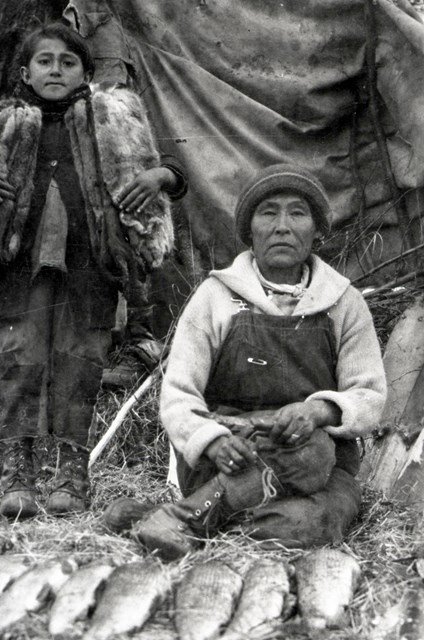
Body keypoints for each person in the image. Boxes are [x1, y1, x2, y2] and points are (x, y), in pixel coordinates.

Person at [0, 22, 187, 520]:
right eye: (44, 61)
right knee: (19, 361)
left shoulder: (112, 119)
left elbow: (171, 169)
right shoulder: (2, 122)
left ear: (86, 74)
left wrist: (158, 176)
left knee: (79, 363)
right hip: (17, 266)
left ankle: (72, 474)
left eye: (68, 62)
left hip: (90, 266)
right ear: (25, 73)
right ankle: (17, 472)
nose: (55, 70)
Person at [104, 164, 386, 559]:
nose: (282, 226)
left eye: (298, 213)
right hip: (225, 459)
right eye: (268, 212)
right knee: (299, 486)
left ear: (317, 230)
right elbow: (178, 395)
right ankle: (198, 513)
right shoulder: (215, 296)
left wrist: (318, 411)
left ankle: (178, 517)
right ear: (249, 230)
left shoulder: (343, 302)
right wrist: (214, 442)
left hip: (319, 473)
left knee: (310, 501)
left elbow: (369, 394)